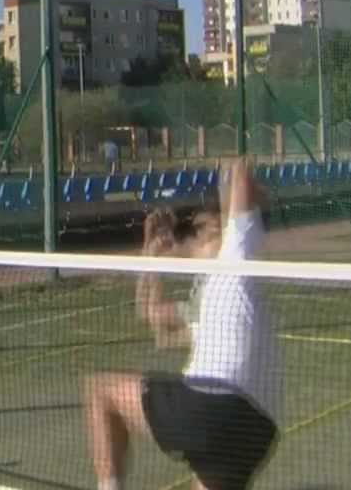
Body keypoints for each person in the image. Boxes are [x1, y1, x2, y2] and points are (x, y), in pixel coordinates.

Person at [85, 158, 281, 490]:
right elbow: (156, 323)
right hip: (256, 432)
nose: (203, 234)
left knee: (102, 391)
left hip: (213, 403)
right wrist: (149, 258)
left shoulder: (237, 255)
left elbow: (240, 174)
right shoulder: (203, 301)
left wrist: (229, 175)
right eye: (200, 231)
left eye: (209, 227)